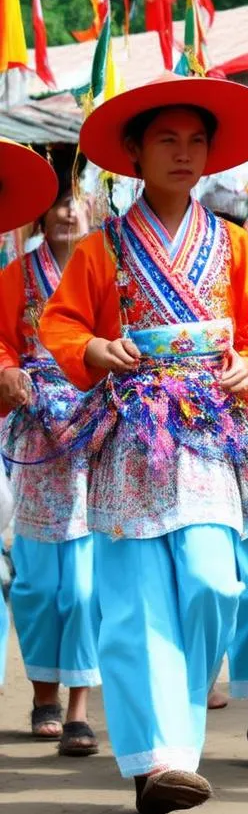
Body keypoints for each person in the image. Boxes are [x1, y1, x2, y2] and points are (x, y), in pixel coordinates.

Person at [39, 75, 248, 814]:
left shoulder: (234, 246)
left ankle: (186, 721)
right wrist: (96, 349)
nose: (182, 153)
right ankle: (158, 761)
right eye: (165, 139)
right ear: (133, 153)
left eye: (195, 140)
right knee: (137, 604)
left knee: (211, 581)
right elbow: (63, 328)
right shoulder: (101, 251)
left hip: (213, 435)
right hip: (134, 437)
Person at [0, 149, 101, 756]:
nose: (66, 210)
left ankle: (81, 702)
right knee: (39, 583)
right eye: (58, 200)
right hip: (36, 438)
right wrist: (8, 373)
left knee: (85, 585)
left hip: (95, 432)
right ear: (41, 213)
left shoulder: (108, 266)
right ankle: (44, 693)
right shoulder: (14, 277)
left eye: (75, 196)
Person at [0, 139, 59, 694]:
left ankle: (72, 702)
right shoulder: (18, 269)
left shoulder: (12, 270)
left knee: (74, 581)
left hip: (61, 423)